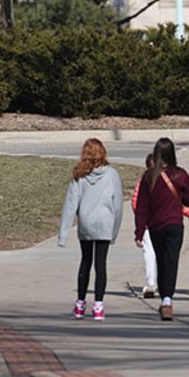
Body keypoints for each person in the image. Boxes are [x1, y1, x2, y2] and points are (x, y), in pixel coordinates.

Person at [58, 138, 123, 322]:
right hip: (105, 222)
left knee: (85, 261)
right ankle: (98, 306)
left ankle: (80, 304)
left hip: (86, 222)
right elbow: (117, 205)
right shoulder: (111, 175)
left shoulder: (80, 175)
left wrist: (63, 234)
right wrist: (115, 231)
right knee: (100, 264)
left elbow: (70, 205)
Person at [133, 138, 189, 321]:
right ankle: (167, 300)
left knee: (161, 261)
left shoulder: (148, 177)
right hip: (175, 223)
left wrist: (139, 231)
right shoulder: (180, 174)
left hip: (156, 225)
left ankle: (164, 297)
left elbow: (142, 207)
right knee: (171, 261)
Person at [131, 154, 159, 299]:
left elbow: (135, 203)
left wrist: (140, 222)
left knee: (149, 253)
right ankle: (160, 282)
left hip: (148, 224)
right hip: (161, 222)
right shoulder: (165, 182)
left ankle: (151, 282)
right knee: (162, 254)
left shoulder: (142, 182)